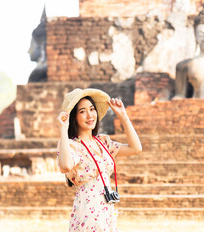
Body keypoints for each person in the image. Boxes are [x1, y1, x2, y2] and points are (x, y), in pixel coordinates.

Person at [57, 88, 142, 231]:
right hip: (87, 215)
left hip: (107, 212)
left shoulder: (102, 142)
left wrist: (123, 116)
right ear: (74, 117)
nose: (90, 115)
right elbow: (65, 166)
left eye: (92, 109)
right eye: (82, 111)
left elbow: (136, 148)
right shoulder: (71, 145)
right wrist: (63, 130)